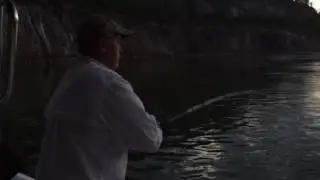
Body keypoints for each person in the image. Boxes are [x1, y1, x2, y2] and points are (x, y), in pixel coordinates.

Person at [36, 15, 163, 180]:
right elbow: (150, 140)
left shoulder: (72, 77)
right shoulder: (109, 83)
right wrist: (155, 124)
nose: (121, 49)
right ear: (104, 45)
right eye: (117, 42)